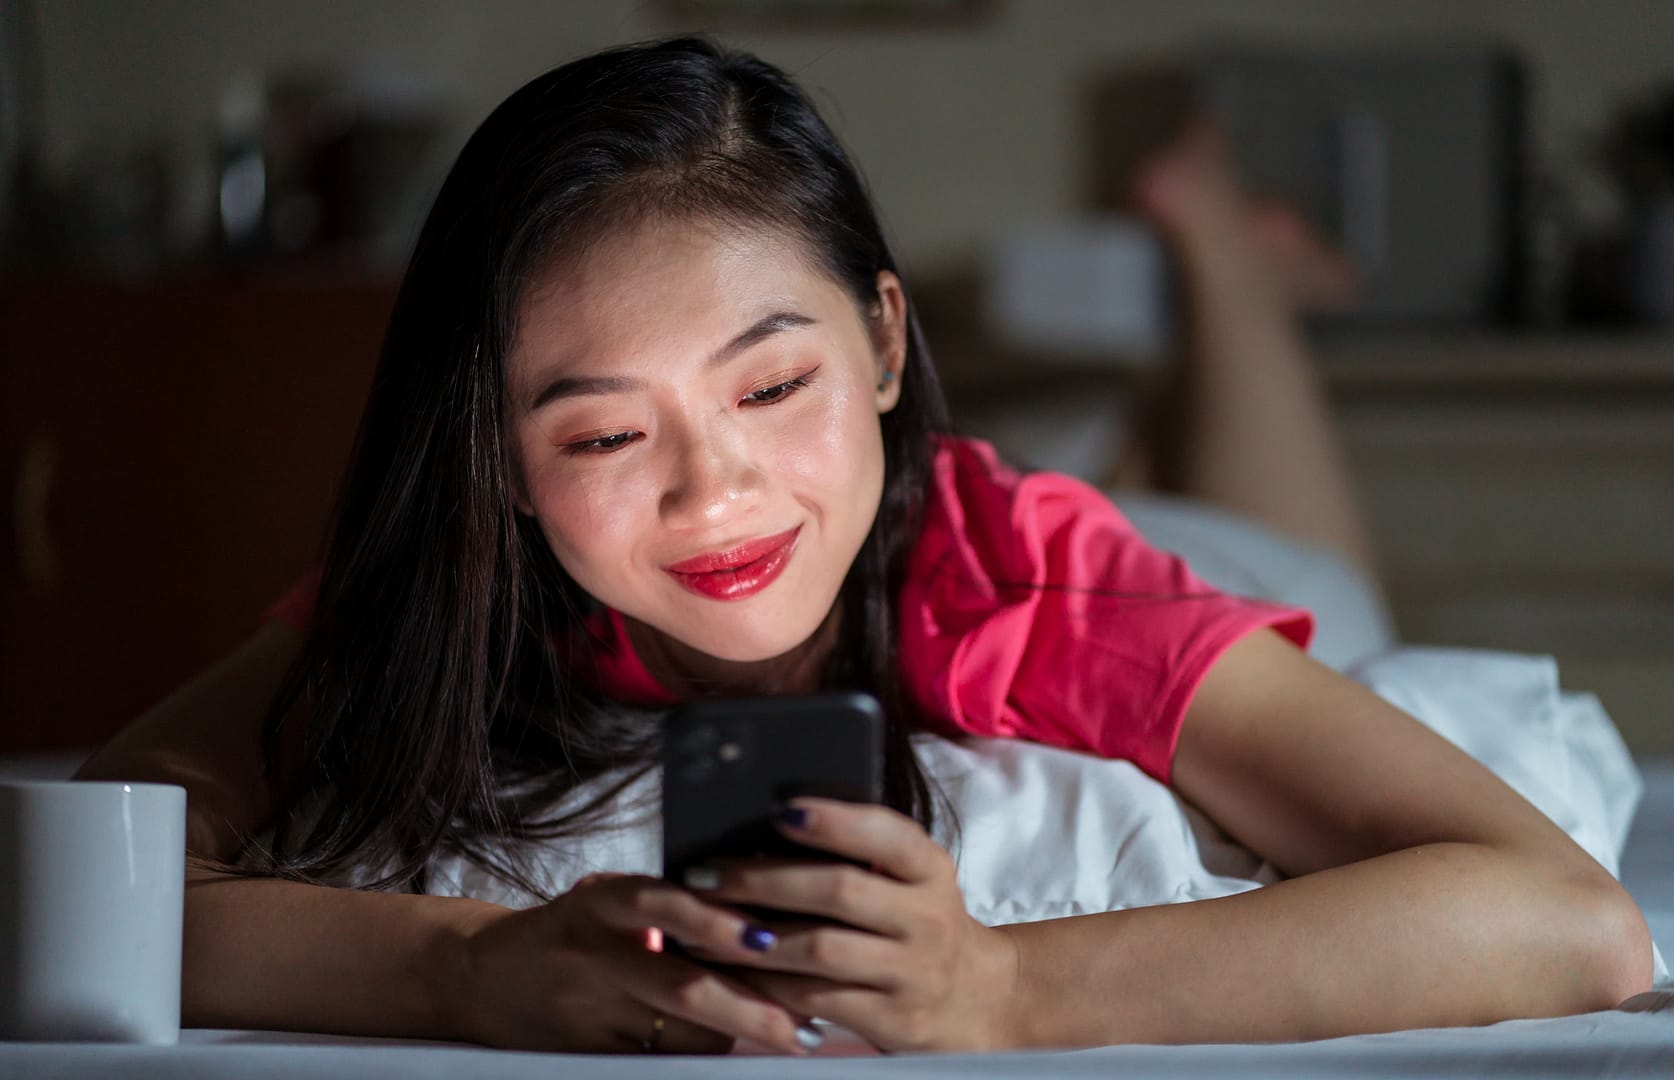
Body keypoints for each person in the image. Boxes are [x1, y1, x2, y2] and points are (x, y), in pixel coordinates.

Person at [74, 35, 1652, 1057]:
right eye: (603, 435)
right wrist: (460, 970)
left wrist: (1006, 990)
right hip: (918, 507)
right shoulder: (460, 586)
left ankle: (1221, 263)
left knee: (1306, 569)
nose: (710, 496)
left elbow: (1572, 923)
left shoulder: (1043, 582)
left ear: (883, 343)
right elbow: (101, 865)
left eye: (769, 384)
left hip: (1123, 558)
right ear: (492, 459)